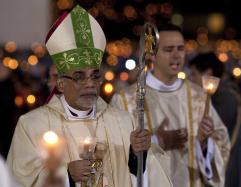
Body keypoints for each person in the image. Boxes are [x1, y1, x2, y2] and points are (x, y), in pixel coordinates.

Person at [7, 5, 172, 187]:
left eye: (95, 76)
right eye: (79, 77)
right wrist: (67, 175)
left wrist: (137, 156)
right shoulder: (32, 125)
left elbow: (153, 172)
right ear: (61, 84)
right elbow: (17, 181)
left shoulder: (124, 122)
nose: (89, 83)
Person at [111, 24, 230, 187]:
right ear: (152, 55)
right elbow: (114, 151)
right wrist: (156, 141)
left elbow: (222, 145)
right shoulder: (126, 100)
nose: (176, 55)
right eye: (168, 49)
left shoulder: (198, 97)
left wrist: (203, 143)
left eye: (180, 49)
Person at [189, 52, 241, 187]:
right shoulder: (213, 96)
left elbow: (219, 131)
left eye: (194, 74)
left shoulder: (225, 98)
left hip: (222, 166)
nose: (191, 78)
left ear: (208, 73)